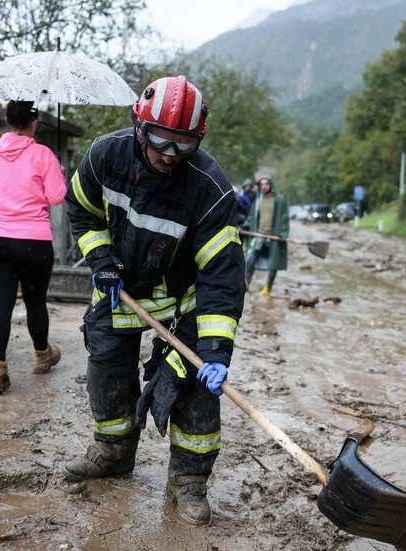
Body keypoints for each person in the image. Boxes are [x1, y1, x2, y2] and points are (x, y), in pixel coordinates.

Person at [62, 75, 245, 526]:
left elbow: (221, 277)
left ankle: (188, 481)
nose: (169, 154)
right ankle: (113, 451)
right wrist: (101, 259)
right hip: (118, 286)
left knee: (196, 382)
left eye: (183, 145)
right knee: (106, 365)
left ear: (197, 141)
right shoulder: (105, 155)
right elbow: (80, 209)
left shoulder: (210, 189)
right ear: (139, 126)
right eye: (160, 139)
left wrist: (216, 351)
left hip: (182, 299)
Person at [0, 100, 67, 394]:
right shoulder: (43, 154)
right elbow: (56, 197)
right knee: (35, 300)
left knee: (0, 301)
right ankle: (42, 356)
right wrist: (59, 171)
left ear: (5, 119)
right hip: (33, 240)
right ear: (34, 123)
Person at [241, 175, 289, 297]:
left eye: (266, 184)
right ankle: (246, 284)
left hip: (274, 237)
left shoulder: (279, 200)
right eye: (261, 184)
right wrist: (244, 227)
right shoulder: (258, 200)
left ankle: (267, 288)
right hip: (259, 236)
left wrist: (283, 234)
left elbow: (284, 218)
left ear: (271, 185)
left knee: (273, 264)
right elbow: (252, 217)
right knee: (250, 260)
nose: (264, 186)